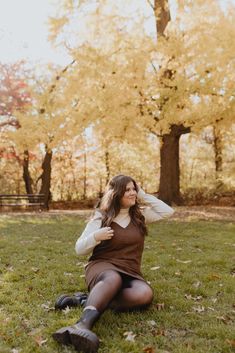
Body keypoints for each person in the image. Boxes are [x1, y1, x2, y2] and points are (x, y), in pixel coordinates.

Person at [52, 174, 174, 353]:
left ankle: (85, 300)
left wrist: (143, 195)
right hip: (102, 267)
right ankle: (82, 325)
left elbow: (167, 211)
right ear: (116, 194)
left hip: (131, 270)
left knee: (144, 294)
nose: (133, 193)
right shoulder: (101, 217)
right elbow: (79, 249)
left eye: (134, 189)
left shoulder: (140, 216)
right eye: (128, 190)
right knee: (112, 278)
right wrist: (95, 236)